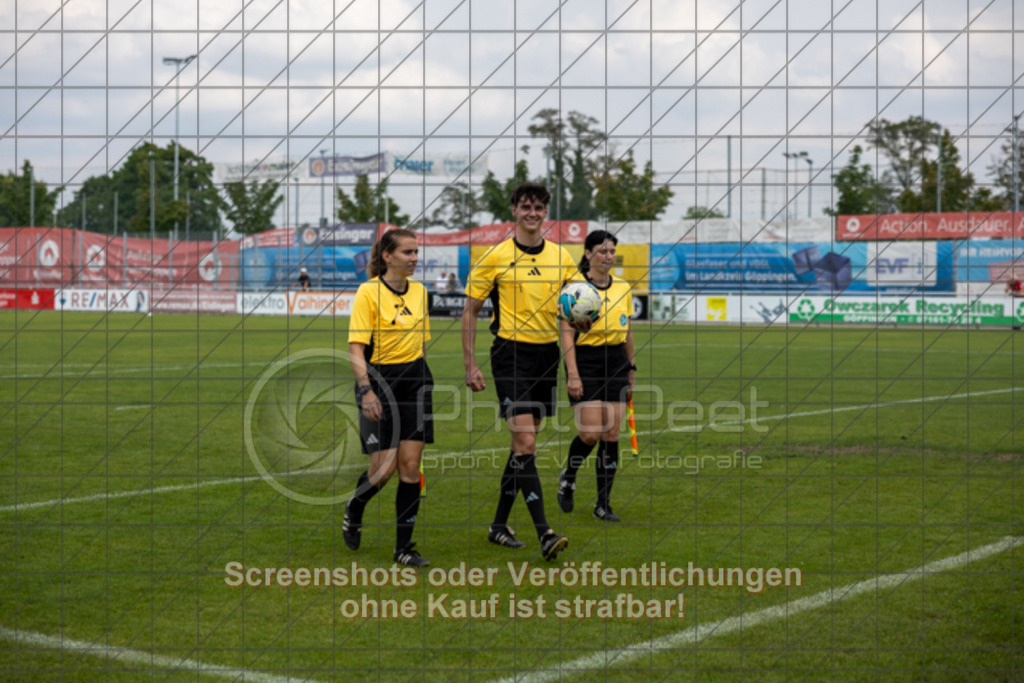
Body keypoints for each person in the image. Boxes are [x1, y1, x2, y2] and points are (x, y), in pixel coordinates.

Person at [462, 182, 587, 561]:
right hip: (510, 354)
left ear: (545, 212)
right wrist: (470, 363)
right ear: (514, 210)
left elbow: (577, 307)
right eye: (526, 207)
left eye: (539, 208)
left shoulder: (561, 257)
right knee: (528, 443)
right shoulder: (495, 256)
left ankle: (498, 525)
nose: (532, 213)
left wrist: (584, 321)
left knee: (521, 446)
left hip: (546, 356)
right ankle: (545, 533)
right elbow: (470, 311)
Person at [343, 228, 434, 568]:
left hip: (415, 384)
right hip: (379, 383)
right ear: (387, 256)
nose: (414, 258)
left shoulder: (421, 291)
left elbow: (421, 343)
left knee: (410, 467)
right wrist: (366, 391)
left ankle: (404, 548)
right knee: (382, 471)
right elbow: (356, 347)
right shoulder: (368, 292)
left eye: (416, 252)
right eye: (407, 252)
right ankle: (355, 506)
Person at [557, 230, 636, 522]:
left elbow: (627, 330)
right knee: (590, 434)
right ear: (588, 253)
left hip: (616, 361)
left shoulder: (623, 287)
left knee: (611, 434)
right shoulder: (575, 288)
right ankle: (569, 475)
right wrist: (573, 374)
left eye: (612, 251)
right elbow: (566, 333)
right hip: (585, 361)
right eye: (602, 251)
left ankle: (603, 504)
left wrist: (631, 367)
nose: (608, 256)